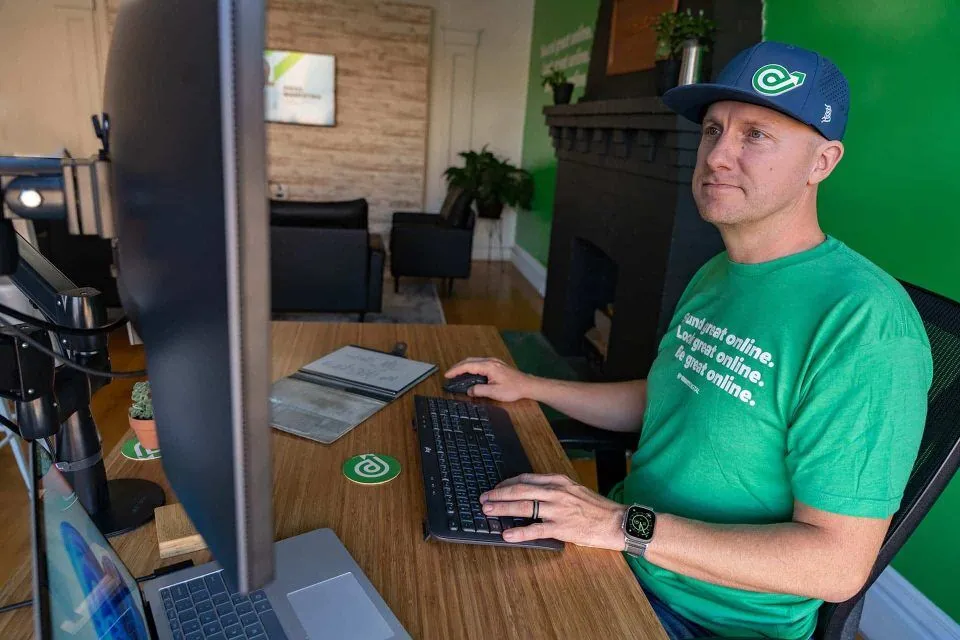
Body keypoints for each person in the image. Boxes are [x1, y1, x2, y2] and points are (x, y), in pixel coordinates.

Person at [445, 42, 932, 639]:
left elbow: (836, 565)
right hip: (622, 558)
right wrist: (529, 385)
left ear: (822, 162)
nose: (718, 156)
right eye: (712, 130)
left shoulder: (866, 325)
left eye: (755, 135)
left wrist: (618, 525)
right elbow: (666, 398)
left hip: (705, 618)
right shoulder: (718, 272)